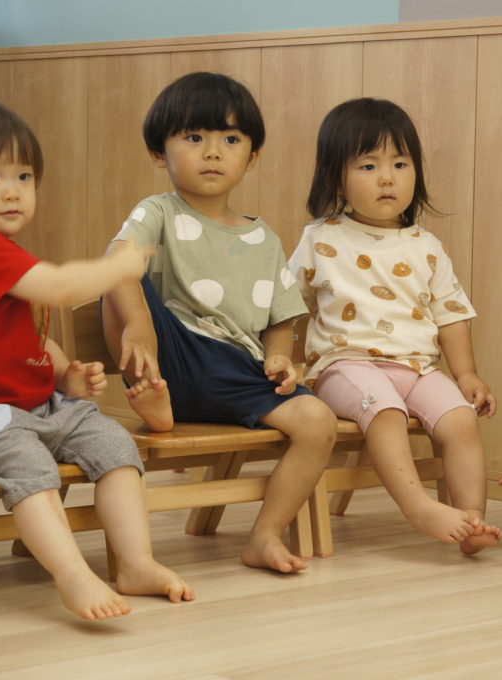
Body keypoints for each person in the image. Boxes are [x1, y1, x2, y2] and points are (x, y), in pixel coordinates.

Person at [0, 98, 193, 621]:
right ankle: (72, 575)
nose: (13, 190)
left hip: (35, 409)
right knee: (33, 466)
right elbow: (60, 289)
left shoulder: (4, 250)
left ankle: (136, 562)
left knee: (114, 444)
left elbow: (35, 336)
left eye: (23, 176)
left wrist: (66, 374)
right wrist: (119, 267)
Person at [101, 72, 337, 574]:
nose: (212, 152)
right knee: (120, 266)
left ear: (252, 157)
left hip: (236, 372)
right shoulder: (158, 212)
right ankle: (154, 396)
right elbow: (119, 261)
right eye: (194, 137)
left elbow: (279, 318)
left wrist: (280, 356)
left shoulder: (263, 239)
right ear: (159, 153)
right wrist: (139, 324)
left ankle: (264, 535)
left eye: (230, 139)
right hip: (172, 355)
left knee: (318, 421)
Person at [288, 97, 502, 554]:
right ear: (335, 179)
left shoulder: (426, 246)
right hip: (345, 366)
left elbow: (450, 314)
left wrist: (466, 374)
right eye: (368, 166)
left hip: (417, 369)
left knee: (461, 420)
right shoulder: (320, 238)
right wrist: (283, 366)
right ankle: (418, 507)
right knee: (386, 412)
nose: (387, 178)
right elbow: (287, 308)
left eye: (400, 164)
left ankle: (472, 519)